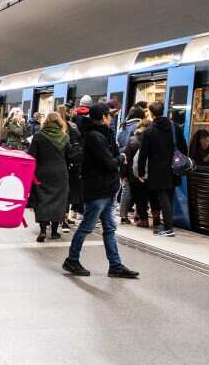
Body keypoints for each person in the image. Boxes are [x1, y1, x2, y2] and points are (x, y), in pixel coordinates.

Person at [62, 104, 140, 279]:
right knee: (86, 227)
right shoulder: (94, 136)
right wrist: (121, 158)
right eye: (109, 116)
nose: (111, 119)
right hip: (97, 190)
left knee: (109, 229)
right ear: (104, 117)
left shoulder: (103, 134)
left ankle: (115, 265)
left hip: (107, 188)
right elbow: (108, 163)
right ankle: (72, 260)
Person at [137, 101, 187, 238]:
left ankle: (168, 228)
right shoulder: (174, 127)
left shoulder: (149, 131)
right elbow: (183, 146)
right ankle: (168, 224)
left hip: (158, 170)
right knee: (169, 196)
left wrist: (141, 172)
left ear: (151, 113)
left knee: (163, 197)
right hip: (174, 167)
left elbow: (143, 154)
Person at [29, 112, 70, 241]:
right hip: (60, 173)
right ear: (59, 122)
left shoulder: (38, 136)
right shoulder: (64, 137)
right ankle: (54, 231)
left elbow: (31, 156)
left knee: (43, 200)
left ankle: (42, 230)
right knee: (59, 200)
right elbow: (69, 156)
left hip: (42, 172)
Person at [118, 107, 147, 222]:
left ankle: (123, 216)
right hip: (133, 162)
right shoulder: (137, 127)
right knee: (138, 190)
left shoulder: (122, 126)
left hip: (123, 160)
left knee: (126, 189)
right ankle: (137, 215)